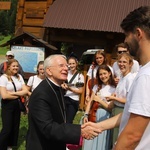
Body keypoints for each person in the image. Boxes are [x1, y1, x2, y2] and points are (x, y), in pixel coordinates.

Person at [83, 6, 150, 149]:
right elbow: (131, 115)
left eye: (126, 35)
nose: (125, 41)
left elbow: (132, 136)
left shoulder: (146, 76)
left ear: (138, 33)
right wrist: (98, 125)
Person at [26, 54, 100, 150]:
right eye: (61, 66)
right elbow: (47, 128)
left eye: (66, 66)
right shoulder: (41, 93)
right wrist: (79, 131)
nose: (66, 68)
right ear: (49, 70)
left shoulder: (58, 87)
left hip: (55, 142)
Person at [82, 65, 116, 150]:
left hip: (105, 117)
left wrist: (99, 100)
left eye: (105, 73)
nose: (103, 76)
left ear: (109, 73)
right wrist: (86, 114)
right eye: (100, 74)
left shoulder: (114, 88)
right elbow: (90, 101)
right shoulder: (97, 87)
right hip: (93, 115)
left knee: (101, 141)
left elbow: (110, 108)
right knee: (90, 141)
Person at [107, 52, 136, 145]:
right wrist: (114, 95)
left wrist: (113, 98)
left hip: (122, 110)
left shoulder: (130, 79)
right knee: (113, 138)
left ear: (130, 64)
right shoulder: (122, 77)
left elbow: (128, 100)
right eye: (120, 62)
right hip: (116, 109)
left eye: (124, 62)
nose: (121, 64)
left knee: (118, 139)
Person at [0, 59, 28, 150]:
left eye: (17, 66)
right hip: (7, 105)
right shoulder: (3, 78)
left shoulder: (19, 76)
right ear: (8, 67)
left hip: (17, 104)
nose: (16, 68)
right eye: (14, 66)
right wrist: (18, 94)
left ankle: (9, 147)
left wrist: (12, 94)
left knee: (15, 127)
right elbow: (4, 96)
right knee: (7, 129)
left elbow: (25, 91)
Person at [61, 57, 84, 123]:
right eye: (70, 64)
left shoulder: (80, 76)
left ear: (76, 64)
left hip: (73, 100)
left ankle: (69, 132)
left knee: (69, 121)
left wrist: (70, 89)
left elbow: (81, 91)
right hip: (64, 98)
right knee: (62, 120)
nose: (71, 65)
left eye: (73, 63)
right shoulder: (65, 73)